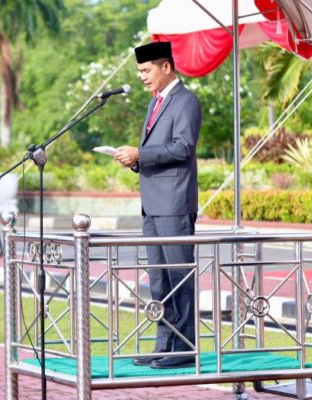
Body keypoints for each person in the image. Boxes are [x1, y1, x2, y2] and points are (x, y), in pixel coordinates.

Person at [114, 41, 201, 369]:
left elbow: (182, 148)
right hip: (152, 205)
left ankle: (185, 346)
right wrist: (133, 160)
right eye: (139, 72)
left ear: (167, 67)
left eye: (146, 70)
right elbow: (152, 150)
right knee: (159, 280)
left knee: (179, 276)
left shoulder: (186, 101)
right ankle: (164, 341)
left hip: (175, 203)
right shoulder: (155, 103)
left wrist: (141, 154)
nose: (142, 77)